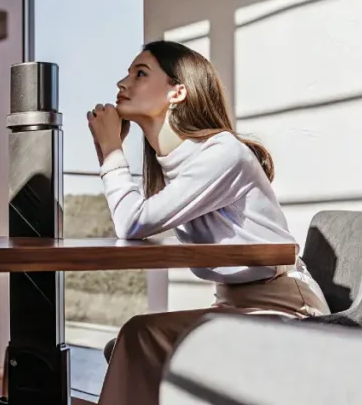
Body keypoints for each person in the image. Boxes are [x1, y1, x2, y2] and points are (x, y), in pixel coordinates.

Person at [86, 40, 330, 405]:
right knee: (137, 338)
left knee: (139, 336)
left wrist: (110, 151)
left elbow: (132, 222)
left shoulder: (222, 152)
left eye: (140, 73)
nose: (123, 83)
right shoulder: (175, 165)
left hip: (286, 312)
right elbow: (135, 221)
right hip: (232, 310)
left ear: (177, 91)